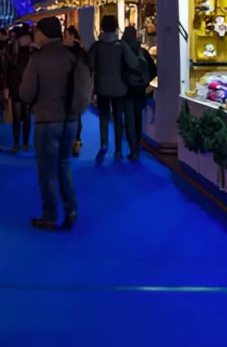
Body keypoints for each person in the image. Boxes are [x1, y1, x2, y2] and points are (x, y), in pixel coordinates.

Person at [19, 17, 91, 231]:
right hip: (70, 119)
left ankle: (50, 215)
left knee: (47, 170)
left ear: (42, 34)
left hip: (47, 120)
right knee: (64, 164)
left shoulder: (38, 58)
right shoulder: (71, 55)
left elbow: (26, 93)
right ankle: (71, 209)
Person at [88, 14, 140, 163]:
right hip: (120, 87)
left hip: (102, 87)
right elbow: (133, 63)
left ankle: (104, 143)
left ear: (102, 27)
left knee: (103, 116)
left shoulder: (96, 46)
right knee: (118, 118)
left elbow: (90, 65)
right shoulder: (121, 45)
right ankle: (118, 150)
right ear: (116, 26)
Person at [121, 26, 158, 161]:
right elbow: (154, 70)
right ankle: (137, 144)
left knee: (129, 119)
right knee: (138, 119)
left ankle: (133, 149)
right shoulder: (142, 51)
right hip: (140, 90)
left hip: (126, 90)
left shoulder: (121, 51)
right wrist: (145, 83)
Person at [6, 26, 34, 153]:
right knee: (19, 116)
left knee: (24, 116)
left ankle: (22, 143)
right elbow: (8, 69)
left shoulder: (30, 52)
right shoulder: (15, 51)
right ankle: (19, 143)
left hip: (22, 86)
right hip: (17, 86)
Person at [63, 26, 87, 157]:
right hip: (74, 89)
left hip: (73, 88)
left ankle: (75, 141)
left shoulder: (77, 52)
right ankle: (75, 141)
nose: (63, 38)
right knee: (74, 117)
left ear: (72, 36)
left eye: (65, 35)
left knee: (74, 117)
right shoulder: (80, 51)